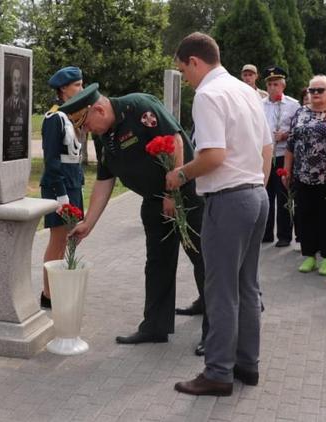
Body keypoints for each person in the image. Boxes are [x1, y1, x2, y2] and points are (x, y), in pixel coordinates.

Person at [61, 84, 208, 353]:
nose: (87, 131)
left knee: (202, 259)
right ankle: (155, 326)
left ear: (100, 109)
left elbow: (174, 141)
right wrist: (88, 224)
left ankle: (215, 333)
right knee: (157, 264)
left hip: (185, 195)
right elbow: (105, 181)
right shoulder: (104, 133)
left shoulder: (139, 106)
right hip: (153, 201)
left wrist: (171, 193)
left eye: (86, 124)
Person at [169, 32, 272, 397]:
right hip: (256, 195)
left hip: (228, 200)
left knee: (221, 290)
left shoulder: (209, 95)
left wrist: (178, 175)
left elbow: (213, 156)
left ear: (194, 61)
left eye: (184, 70)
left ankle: (218, 372)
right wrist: (257, 183)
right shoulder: (246, 91)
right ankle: (247, 364)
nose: (187, 77)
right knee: (247, 285)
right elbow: (267, 147)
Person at [283, 75, 326, 276]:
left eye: (320, 90)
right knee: (305, 215)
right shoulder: (301, 113)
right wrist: (286, 170)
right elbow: (290, 144)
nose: (315, 94)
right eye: (312, 90)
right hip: (303, 174)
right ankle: (310, 255)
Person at [39, 66, 85, 308]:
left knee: (71, 237)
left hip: (73, 182)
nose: (81, 89)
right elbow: (52, 160)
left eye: (81, 84)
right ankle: (48, 293)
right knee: (58, 239)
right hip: (59, 186)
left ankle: (60, 284)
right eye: (76, 85)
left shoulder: (72, 115)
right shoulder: (54, 118)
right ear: (63, 89)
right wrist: (61, 195)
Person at [261, 65, 301, 247]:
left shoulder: (293, 105)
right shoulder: (260, 105)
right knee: (265, 195)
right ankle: (265, 232)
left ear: (283, 86)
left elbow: (299, 131)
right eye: (269, 84)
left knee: (284, 196)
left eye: (276, 84)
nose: (272, 88)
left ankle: (284, 235)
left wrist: (285, 135)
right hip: (265, 155)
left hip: (283, 155)